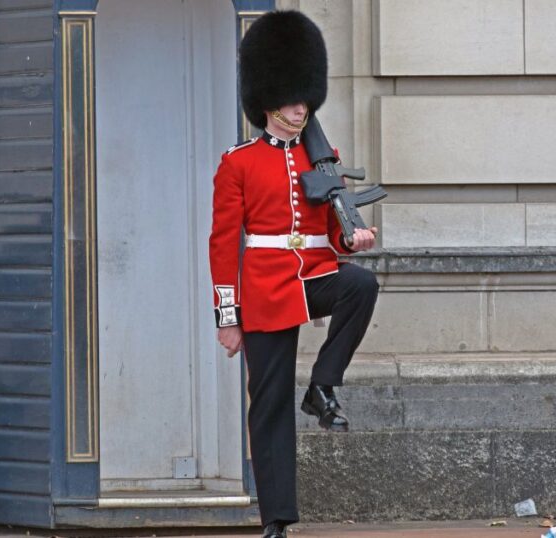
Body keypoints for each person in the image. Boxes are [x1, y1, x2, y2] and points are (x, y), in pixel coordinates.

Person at [208, 10, 379, 538]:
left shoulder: (323, 158)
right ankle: (277, 518)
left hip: (314, 274)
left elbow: (332, 226)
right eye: (290, 98)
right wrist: (227, 316)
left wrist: (353, 237)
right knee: (270, 403)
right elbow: (221, 244)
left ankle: (323, 386)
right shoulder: (239, 162)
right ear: (268, 103)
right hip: (262, 286)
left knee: (361, 283)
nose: (300, 106)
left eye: (305, 97)